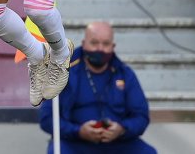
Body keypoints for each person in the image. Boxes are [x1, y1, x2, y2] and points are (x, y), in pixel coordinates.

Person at [39, 22, 156, 154]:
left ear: (113, 46)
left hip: (119, 143)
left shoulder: (125, 74)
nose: (100, 49)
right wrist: (78, 131)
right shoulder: (63, 72)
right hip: (75, 142)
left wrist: (122, 129)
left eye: (106, 44)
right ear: (83, 44)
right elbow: (47, 119)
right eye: (94, 43)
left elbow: (141, 116)